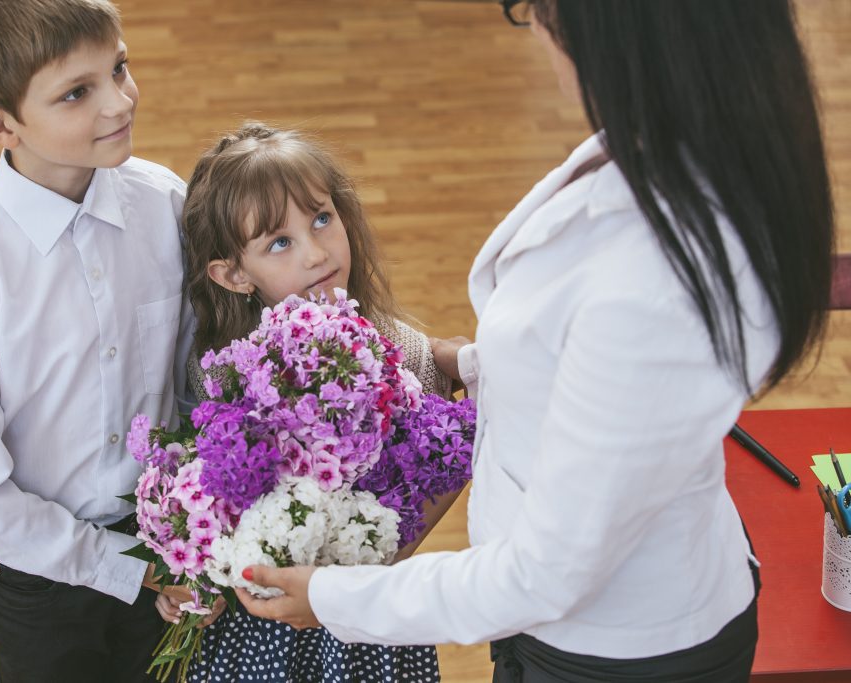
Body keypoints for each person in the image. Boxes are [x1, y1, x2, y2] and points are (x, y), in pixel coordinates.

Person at [235, 1, 835, 682]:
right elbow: (584, 362)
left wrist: (331, 595)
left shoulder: (657, 284)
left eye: (546, 16)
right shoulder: (656, 150)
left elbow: (546, 573)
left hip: (613, 648)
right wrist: (469, 364)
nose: (543, 34)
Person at [0, 1, 195, 680]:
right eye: (77, 92)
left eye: (119, 68)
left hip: (165, 541)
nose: (119, 102)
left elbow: (191, 375)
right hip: (35, 580)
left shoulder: (165, 206)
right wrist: (116, 565)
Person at [163, 121, 458, 682]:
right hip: (256, 634)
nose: (317, 253)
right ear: (231, 274)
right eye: (280, 242)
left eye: (322, 218)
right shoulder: (219, 377)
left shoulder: (398, 350)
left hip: (366, 627)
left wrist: (360, 572)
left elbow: (446, 462)